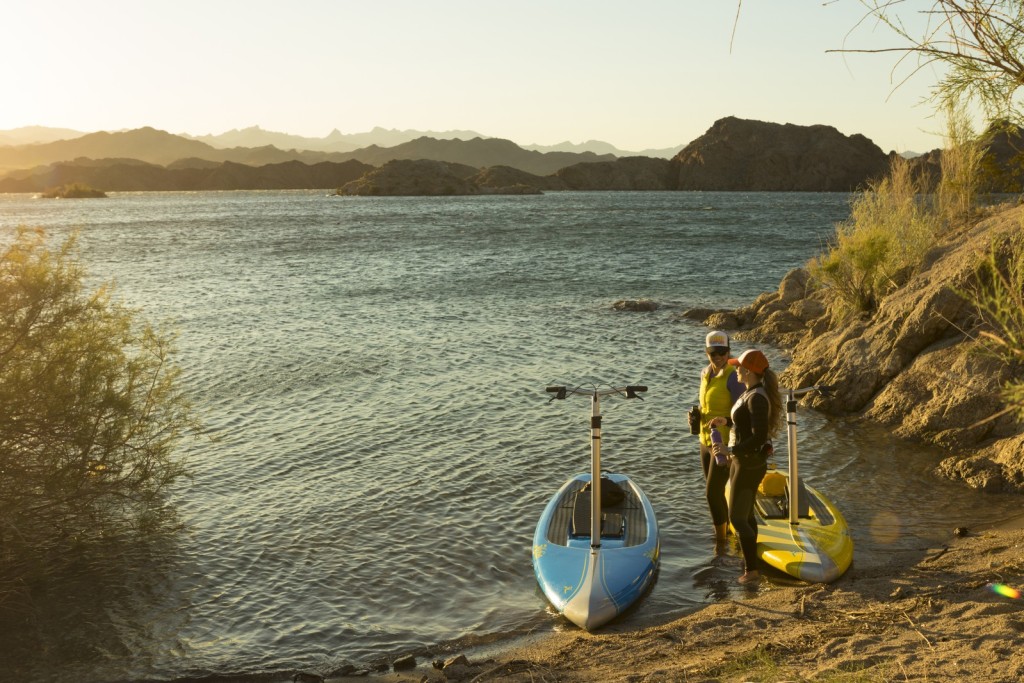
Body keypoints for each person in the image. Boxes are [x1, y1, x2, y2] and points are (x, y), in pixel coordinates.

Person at [709, 348, 783, 584]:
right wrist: (727, 421)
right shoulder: (751, 392)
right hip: (743, 461)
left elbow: (759, 437)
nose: (735, 369)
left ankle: (752, 572)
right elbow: (745, 422)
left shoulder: (758, 397)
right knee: (746, 513)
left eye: (738, 366)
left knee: (737, 519)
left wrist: (730, 450)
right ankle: (750, 561)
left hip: (749, 463)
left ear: (749, 371)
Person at [692, 330, 743, 549]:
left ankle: (721, 543)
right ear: (707, 353)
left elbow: (743, 412)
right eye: (713, 353)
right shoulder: (705, 373)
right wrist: (695, 416)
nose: (718, 357)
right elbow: (706, 405)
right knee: (715, 491)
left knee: (712, 492)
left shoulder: (733, 376)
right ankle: (725, 531)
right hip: (705, 441)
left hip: (723, 443)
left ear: (729, 351)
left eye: (722, 352)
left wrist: (729, 425)